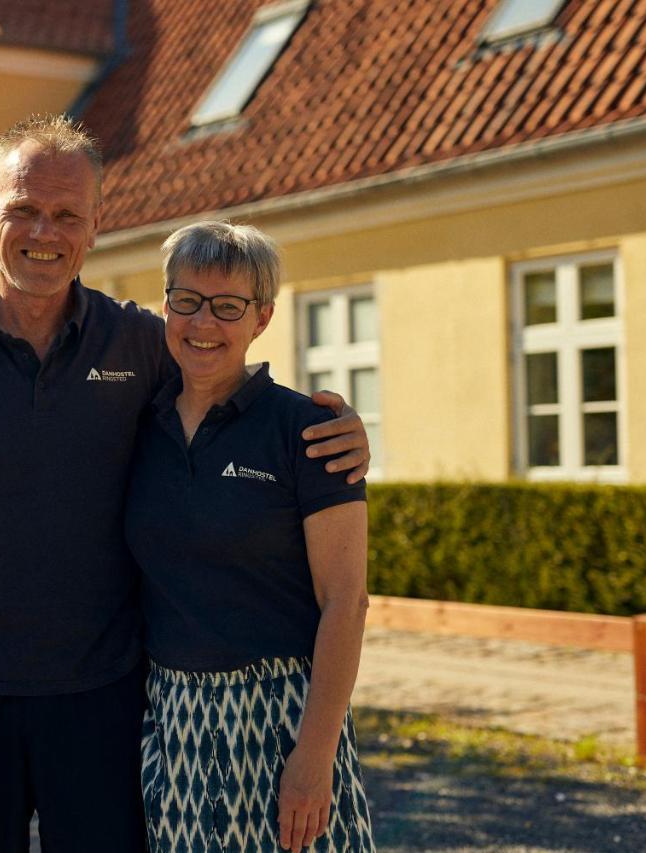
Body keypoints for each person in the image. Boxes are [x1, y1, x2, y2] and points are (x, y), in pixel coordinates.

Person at [0, 115, 371, 852]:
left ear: (96, 225)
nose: (45, 230)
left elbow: (223, 378)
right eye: (24, 209)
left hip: (105, 699)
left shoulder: (137, 342)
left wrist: (342, 432)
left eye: (67, 213)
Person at [126, 221, 374, 853]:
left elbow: (346, 602)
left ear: (261, 318)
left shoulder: (308, 432)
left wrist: (315, 756)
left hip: (285, 717)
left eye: (228, 307)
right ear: (166, 305)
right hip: (173, 718)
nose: (203, 323)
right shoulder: (135, 426)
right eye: (187, 300)